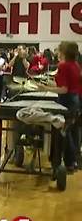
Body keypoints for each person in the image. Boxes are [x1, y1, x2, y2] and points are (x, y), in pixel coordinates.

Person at [38, 41, 81, 172]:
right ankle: (71, 161)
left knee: (63, 132)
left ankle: (68, 162)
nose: (57, 52)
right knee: (70, 132)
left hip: (67, 100)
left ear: (64, 52)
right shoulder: (75, 65)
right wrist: (50, 83)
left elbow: (63, 89)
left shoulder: (64, 66)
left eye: (59, 50)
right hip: (75, 100)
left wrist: (44, 88)